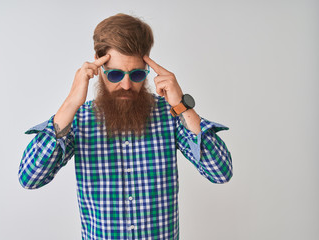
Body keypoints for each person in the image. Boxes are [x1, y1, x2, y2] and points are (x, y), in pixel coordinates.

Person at [18, 13, 233, 240]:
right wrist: (70, 103)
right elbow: (30, 179)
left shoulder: (170, 114)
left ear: (147, 66)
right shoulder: (79, 119)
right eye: (115, 74)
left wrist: (182, 106)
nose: (126, 85)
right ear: (98, 66)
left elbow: (220, 173)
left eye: (137, 74)